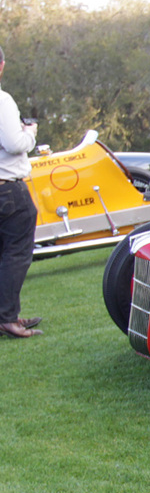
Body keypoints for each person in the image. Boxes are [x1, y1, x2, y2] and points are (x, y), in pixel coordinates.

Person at [0, 45, 43, 338]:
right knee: (16, 254)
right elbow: (14, 144)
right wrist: (29, 133)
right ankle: (7, 318)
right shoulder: (2, 100)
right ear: (1, 65)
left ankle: (6, 313)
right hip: (8, 189)